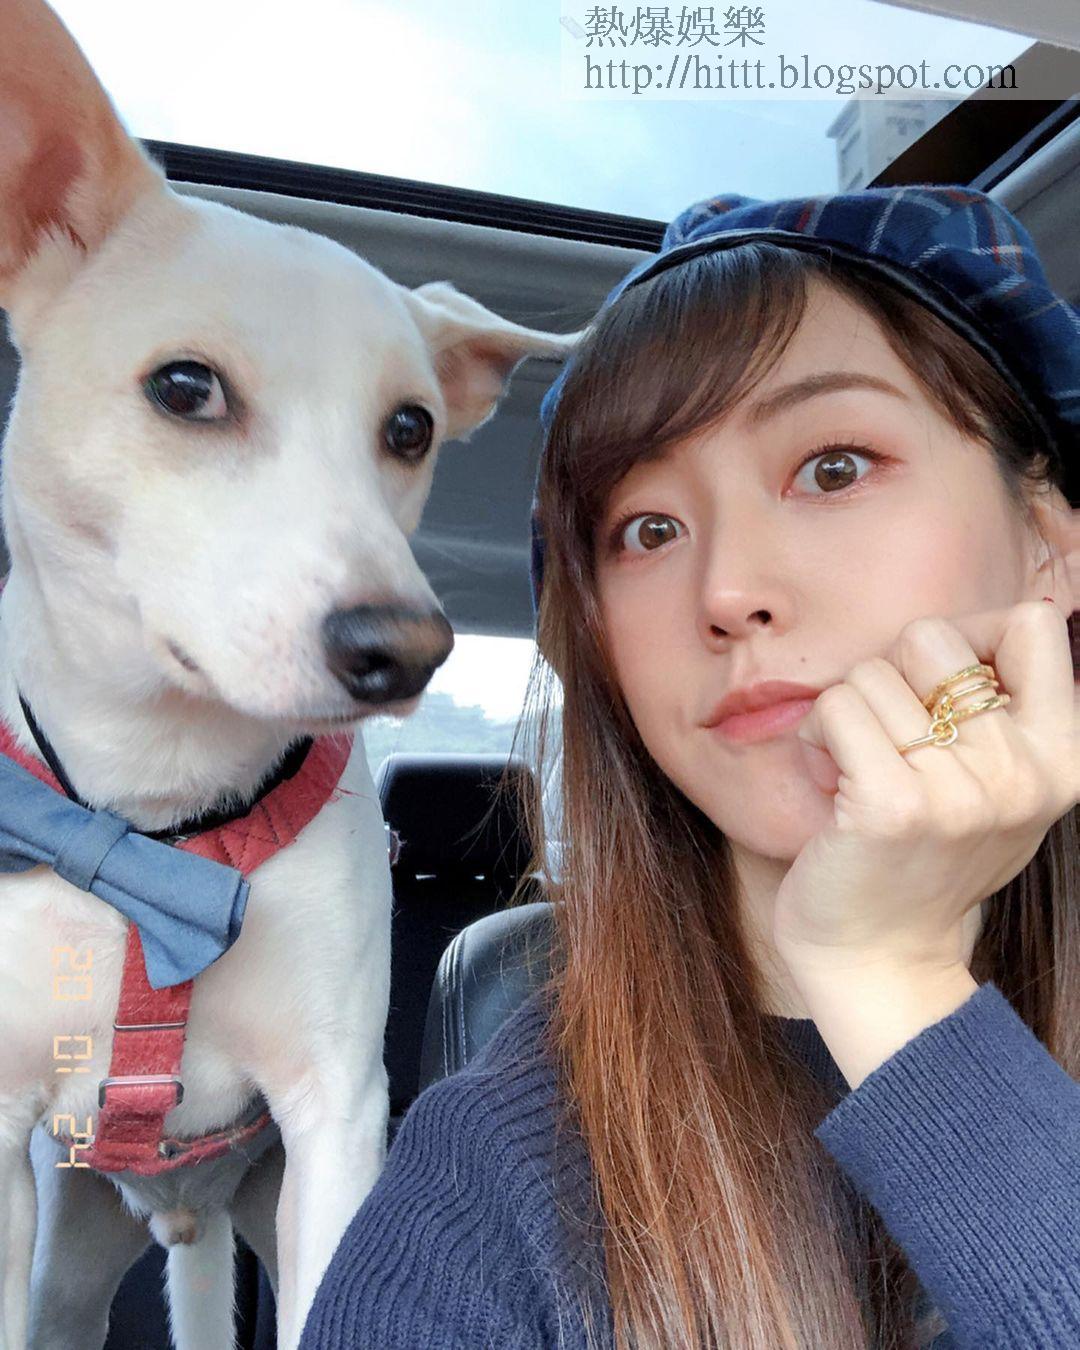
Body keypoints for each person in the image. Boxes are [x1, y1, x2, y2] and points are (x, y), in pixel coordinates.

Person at [298, 186, 1079, 1350]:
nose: (726, 590)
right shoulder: (484, 1187)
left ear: (1052, 546)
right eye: (647, 531)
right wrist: (886, 965)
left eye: (834, 467)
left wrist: (903, 993)